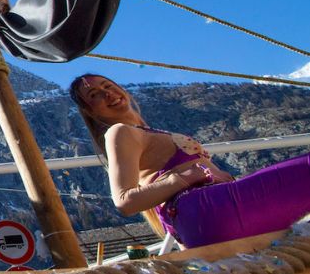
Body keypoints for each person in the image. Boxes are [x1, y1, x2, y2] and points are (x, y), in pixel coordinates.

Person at [70, 74, 310, 248]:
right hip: (207, 209)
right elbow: (124, 201)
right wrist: (189, 176)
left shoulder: (144, 131)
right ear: (90, 111)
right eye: (95, 95)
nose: (107, 93)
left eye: (108, 85)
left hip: (205, 217)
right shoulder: (120, 132)